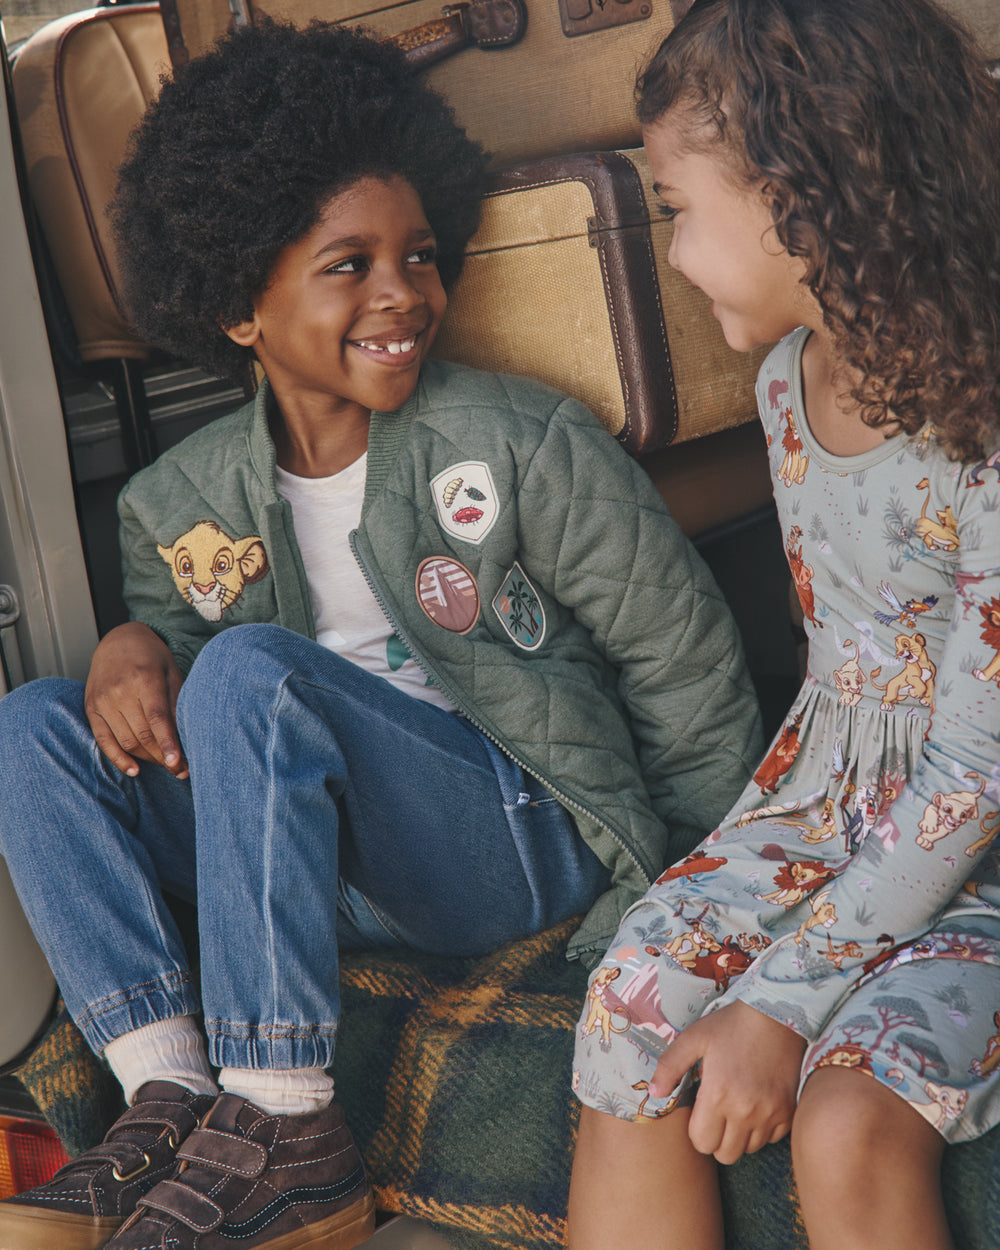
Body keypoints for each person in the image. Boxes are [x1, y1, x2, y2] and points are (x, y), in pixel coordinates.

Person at [0, 17, 763, 1250]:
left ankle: (290, 1127)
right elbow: (179, 710)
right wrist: (125, 649)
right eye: (347, 265)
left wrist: (690, 908)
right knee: (28, 722)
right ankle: (170, 1093)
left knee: (248, 672)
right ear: (238, 307)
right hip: (322, 867)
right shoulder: (174, 505)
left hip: (512, 837)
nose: (403, 291)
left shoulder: (519, 442)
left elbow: (685, 670)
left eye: (419, 254)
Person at [567, 2, 1000, 1248]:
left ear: (796, 199)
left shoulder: (981, 433)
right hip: (823, 807)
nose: (677, 252)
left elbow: (971, 779)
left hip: (973, 835)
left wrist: (780, 1003)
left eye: (677, 210)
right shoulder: (780, 383)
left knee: (845, 1115)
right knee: (630, 1012)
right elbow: (840, 675)